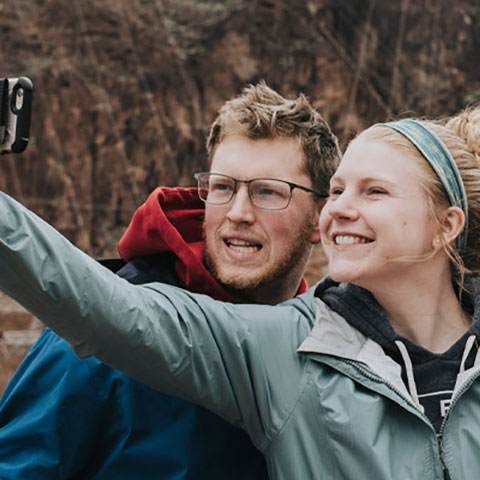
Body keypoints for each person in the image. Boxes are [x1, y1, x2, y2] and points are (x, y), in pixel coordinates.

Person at [1, 105, 479, 479]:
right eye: (338, 191)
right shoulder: (287, 350)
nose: (342, 210)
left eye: (374, 192)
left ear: (445, 226)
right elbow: (103, 308)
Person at [0, 82, 340, 479]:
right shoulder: (101, 333)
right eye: (223, 188)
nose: (238, 213)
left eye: (267, 192)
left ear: (321, 218)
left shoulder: (332, 350)